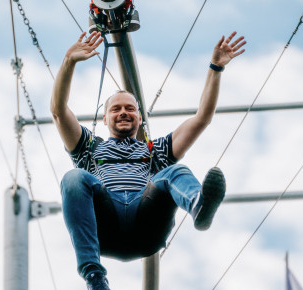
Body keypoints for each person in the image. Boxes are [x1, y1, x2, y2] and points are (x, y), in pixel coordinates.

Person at [50, 30, 246, 290]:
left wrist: (216, 68)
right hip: (106, 225)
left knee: (174, 171)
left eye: (130, 108)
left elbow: (201, 119)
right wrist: (68, 61)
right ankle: (94, 277)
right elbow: (58, 112)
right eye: (116, 109)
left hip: (146, 223)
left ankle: (199, 206)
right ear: (105, 118)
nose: (123, 112)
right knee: (73, 178)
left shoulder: (157, 150)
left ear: (140, 118)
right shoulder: (89, 148)